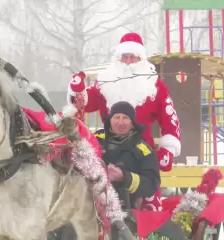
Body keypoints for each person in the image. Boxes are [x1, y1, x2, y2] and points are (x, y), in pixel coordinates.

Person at [67, 32, 181, 211]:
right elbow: (86, 102)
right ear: (117, 59)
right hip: (107, 151)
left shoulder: (155, 85)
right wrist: (78, 90)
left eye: (133, 57)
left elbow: (170, 118)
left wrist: (168, 148)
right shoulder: (105, 82)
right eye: (124, 57)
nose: (128, 62)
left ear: (141, 59)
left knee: (148, 208)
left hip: (142, 156)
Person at [94, 101, 160, 210]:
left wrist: (124, 177)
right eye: (116, 117)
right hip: (91, 207)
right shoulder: (96, 138)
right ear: (109, 120)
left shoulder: (143, 149)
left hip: (126, 211)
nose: (120, 122)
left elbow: (152, 185)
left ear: (132, 122)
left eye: (125, 118)